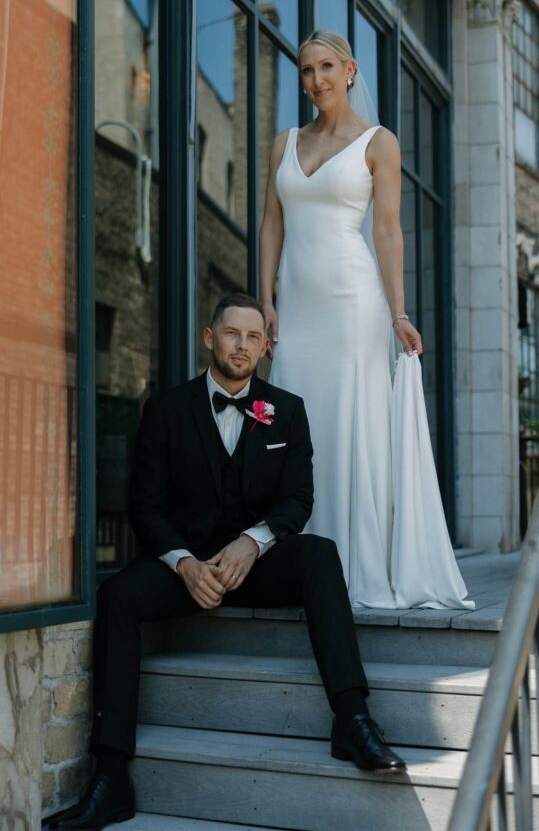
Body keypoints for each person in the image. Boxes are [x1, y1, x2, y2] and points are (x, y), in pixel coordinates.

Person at [50, 294, 405, 831]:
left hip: (253, 564)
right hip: (187, 570)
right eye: (232, 333)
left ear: (265, 347)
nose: (243, 345)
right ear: (209, 337)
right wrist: (184, 563)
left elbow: (297, 501)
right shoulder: (165, 410)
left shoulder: (287, 409)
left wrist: (252, 543)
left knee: (320, 557)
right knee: (118, 596)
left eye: (253, 337)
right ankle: (112, 774)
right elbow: (145, 506)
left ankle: (351, 718)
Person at [259, 28, 472, 610]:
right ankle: (298, 564)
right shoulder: (281, 144)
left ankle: (356, 565)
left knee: (349, 422)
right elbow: (271, 226)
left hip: (354, 304)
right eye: (306, 70)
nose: (316, 79)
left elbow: (386, 231)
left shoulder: (379, 142)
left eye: (326, 67)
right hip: (297, 312)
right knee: (297, 426)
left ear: (350, 71)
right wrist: (266, 302)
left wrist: (398, 313)